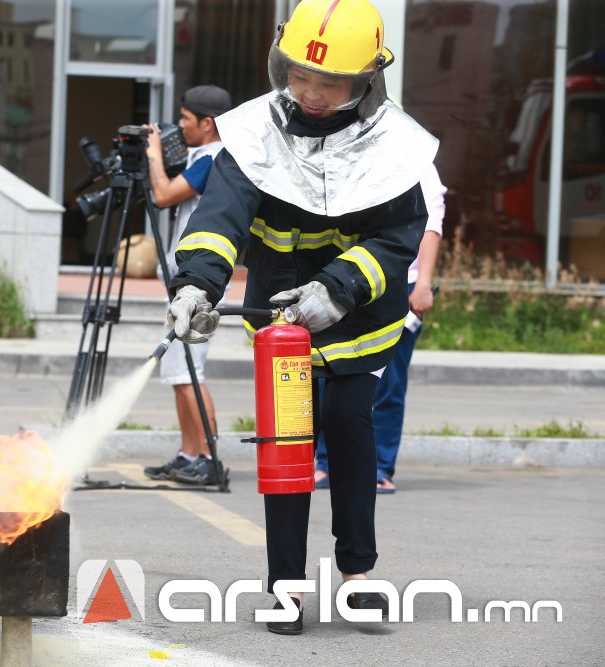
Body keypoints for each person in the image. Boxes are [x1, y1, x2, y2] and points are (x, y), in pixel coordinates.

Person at [164, 0, 437, 635]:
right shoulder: (253, 131)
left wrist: (338, 289)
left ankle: (357, 573)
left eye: (330, 82)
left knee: (347, 429)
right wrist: (198, 285)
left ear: (366, 80)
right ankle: (286, 586)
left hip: (357, 319)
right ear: (281, 64)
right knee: (286, 447)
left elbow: (400, 238)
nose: (311, 93)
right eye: (299, 76)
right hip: (281, 321)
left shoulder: (394, 146)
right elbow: (220, 215)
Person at [314, 164, 447, 494]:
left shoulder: (416, 159)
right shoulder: (349, 151)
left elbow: (432, 223)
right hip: (348, 283)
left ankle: (380, 467)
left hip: (403, 285)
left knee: (389, 383)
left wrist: (425, 284)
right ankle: (326, 463)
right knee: (332, 372)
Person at [141, 85, 233, 486]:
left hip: (199, 282)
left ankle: (210, 458)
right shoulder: (200, 156)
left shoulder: (213, 158)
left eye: (185, 120)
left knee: (190, 371)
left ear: (207, 123)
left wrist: (153, 155)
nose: (179, 126)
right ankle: (188, 453)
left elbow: (163, 195)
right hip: (186, 281)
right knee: (178, 374)